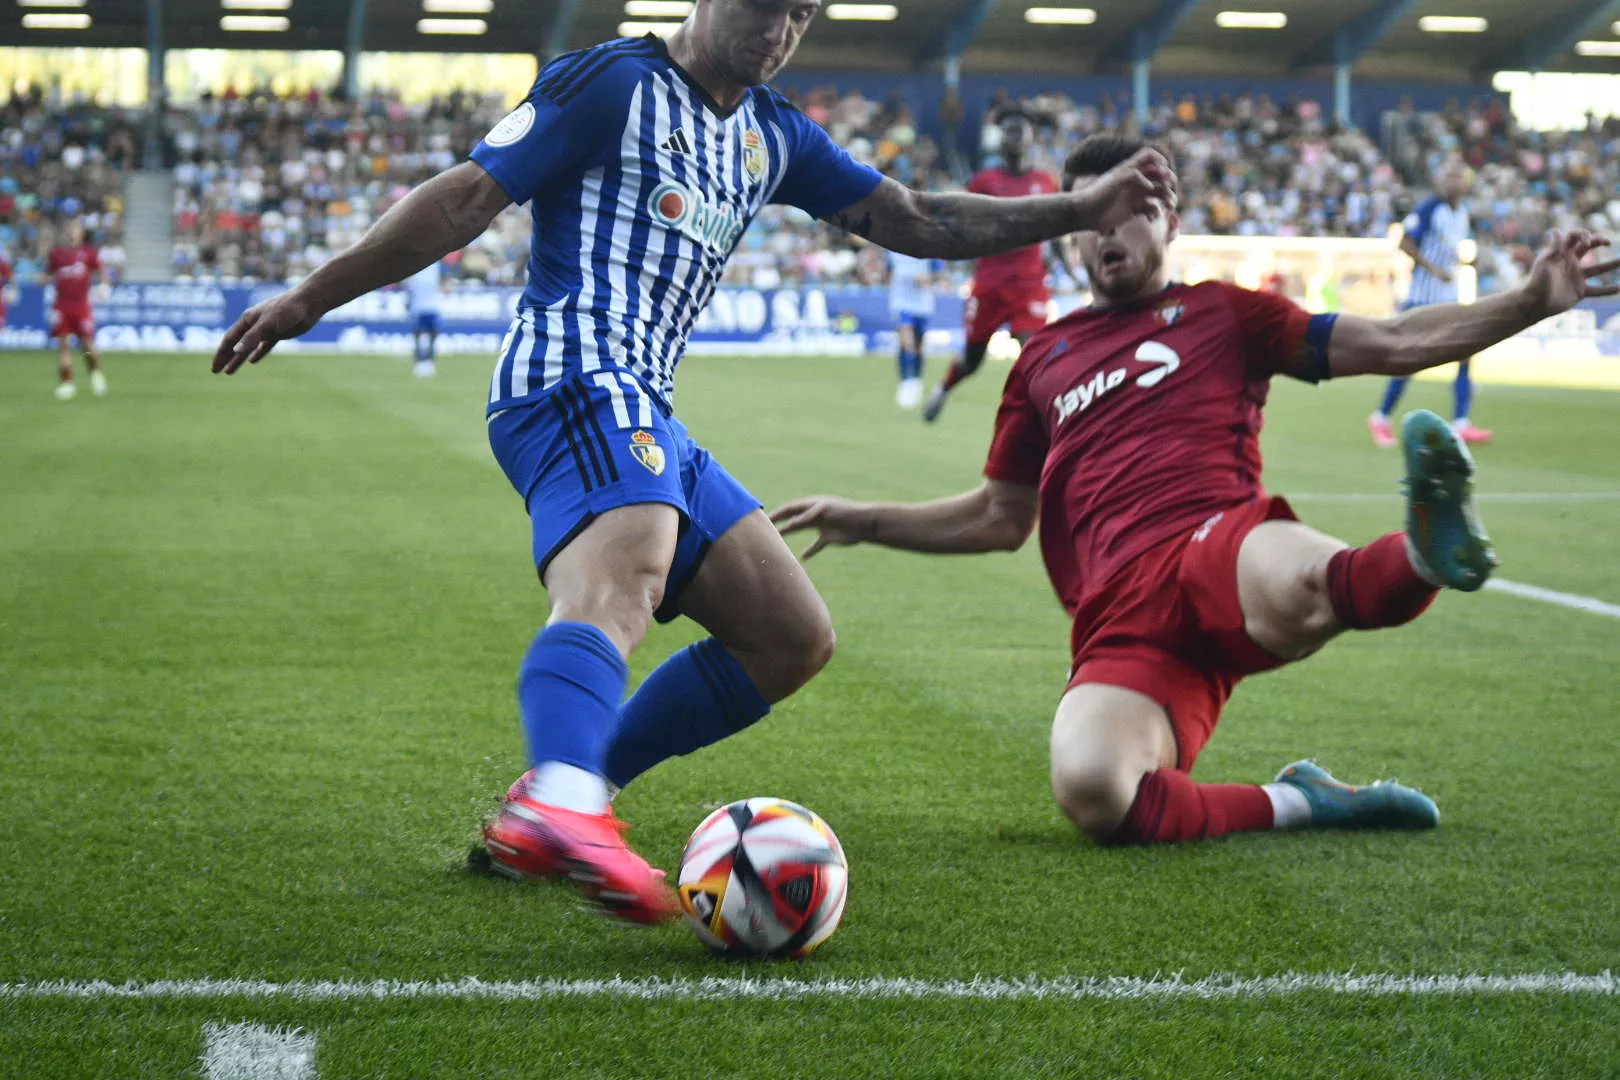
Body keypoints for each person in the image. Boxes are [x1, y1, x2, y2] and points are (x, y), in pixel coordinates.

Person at [209, 7, 1174, 922]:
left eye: (801, 14)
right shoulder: (612, 83)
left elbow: (915, 218)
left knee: (790, 637)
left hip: (647, 410)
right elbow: (465, 197)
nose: (780, 32)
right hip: (571, 377)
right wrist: (308, 298)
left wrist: (1079, 206)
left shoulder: (773, 135)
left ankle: (559, 798)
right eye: (765, 6)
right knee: (625, 578)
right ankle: (563, 799)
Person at [773, 134, 1617, 848]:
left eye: (1130, 212)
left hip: (1217, 541)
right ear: (1071, 238)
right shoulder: (1040, 361)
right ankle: (1302, 803)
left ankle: (1429, 554)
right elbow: (999, 518)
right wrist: (863, 518)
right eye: (1090, 218)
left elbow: (1392, 340)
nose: (1110, 232)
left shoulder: (1225, 314)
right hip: (1118, 614)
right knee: (1096, 793)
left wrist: (1531, 300)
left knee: (1307, 583)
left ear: (1167, 222)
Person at [922, 109, 1078, 423]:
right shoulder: (984, 181)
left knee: (1033, 350)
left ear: (1032, 138)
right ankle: (944, 387)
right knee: (973, 357)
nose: (1014, 138)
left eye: (1020, 132)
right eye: (1008, 132)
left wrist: (1072, 272)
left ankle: (1044, 416)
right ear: (1001, 140)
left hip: (1029, 283)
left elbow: (1057, 231)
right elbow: (962, 224)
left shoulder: (1045, 181)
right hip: (990, 283)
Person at [1369, 161, 1492, 447]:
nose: (1452, 182)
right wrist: (1433, 268)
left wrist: (1465, 261)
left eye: (1457, 177)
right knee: (1408, 361)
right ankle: (1381, 417)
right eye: (1449, 176)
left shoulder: (1460, 213)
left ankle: (1461, 423)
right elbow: (1404, 243)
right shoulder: (1430, 207)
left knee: (1464, 352)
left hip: (1448, 298)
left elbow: (1448, 247)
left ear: (1465, 184)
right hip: (1422, 299)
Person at [46, 222, 107, 401]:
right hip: (61, 306)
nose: (73, 234)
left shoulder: (89, 253)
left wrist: (104, 286)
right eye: (70, 230)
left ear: (81, 234)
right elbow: (48, 274)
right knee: (63, 345)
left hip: (81, 306)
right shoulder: (57, 254)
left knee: (87, 345)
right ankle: (67, 383)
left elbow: (101, 272)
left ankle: (95, 373)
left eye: (76, 231)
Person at [887, 250, 942, 409]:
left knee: (918, 344)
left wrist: (928, 278)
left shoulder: (927, 246)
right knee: (906, 340)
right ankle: (905, 382)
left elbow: (938, 271)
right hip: (901, 301)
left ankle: (917, 380)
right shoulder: (893, 249)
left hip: (922, 303)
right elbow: (888, 271)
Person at [405, 258, 445, 378]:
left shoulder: (437, 264)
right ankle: (419, 363)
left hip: (432, 306)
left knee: (432, 335)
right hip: (419, 307)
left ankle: (429, 362)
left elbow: (445, 282)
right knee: (418, 335)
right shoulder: (415, 265)